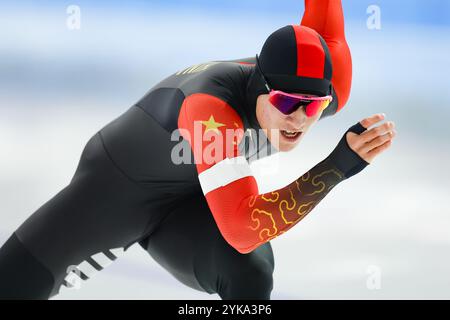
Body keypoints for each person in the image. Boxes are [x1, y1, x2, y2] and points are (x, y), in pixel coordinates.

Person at [0, 0, 396, 300]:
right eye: (287, 103)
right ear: (258, 87)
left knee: (251, 274)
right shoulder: (211, 110)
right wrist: (337, 167)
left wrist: (310, 107)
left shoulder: (327, 85)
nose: (299, 120)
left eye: (314, 106)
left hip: (193, 203)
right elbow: (243, 229)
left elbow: (323, 16)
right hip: (117, 190)